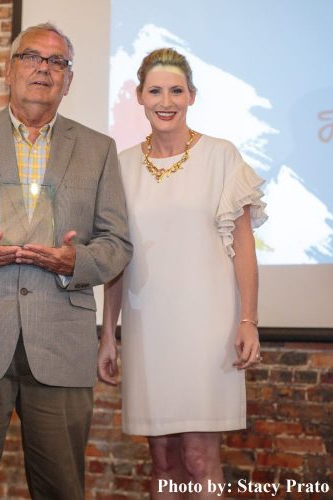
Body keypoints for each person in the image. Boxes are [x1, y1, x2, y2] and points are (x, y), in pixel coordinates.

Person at [0, 23, 132, 500]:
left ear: (68, 80)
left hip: (60, 341)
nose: (43, 69)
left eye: (57, 62)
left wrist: (74, 261)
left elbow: (117, 244)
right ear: (9, 70)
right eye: (32, 57)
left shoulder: (98, 149)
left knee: (62, 488)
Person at [98, 48, 267, 498]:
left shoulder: (221, 156)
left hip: (207, 330)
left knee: (198, 458)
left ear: (192, 95)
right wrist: (108, 334)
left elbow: (244, 247)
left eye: (176, 90)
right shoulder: (121, 166)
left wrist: (248, 320)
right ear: (139, 96)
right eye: (155, 91)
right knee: (163, 460)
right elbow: (116, 258)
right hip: (148, 330)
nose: (166, 101)